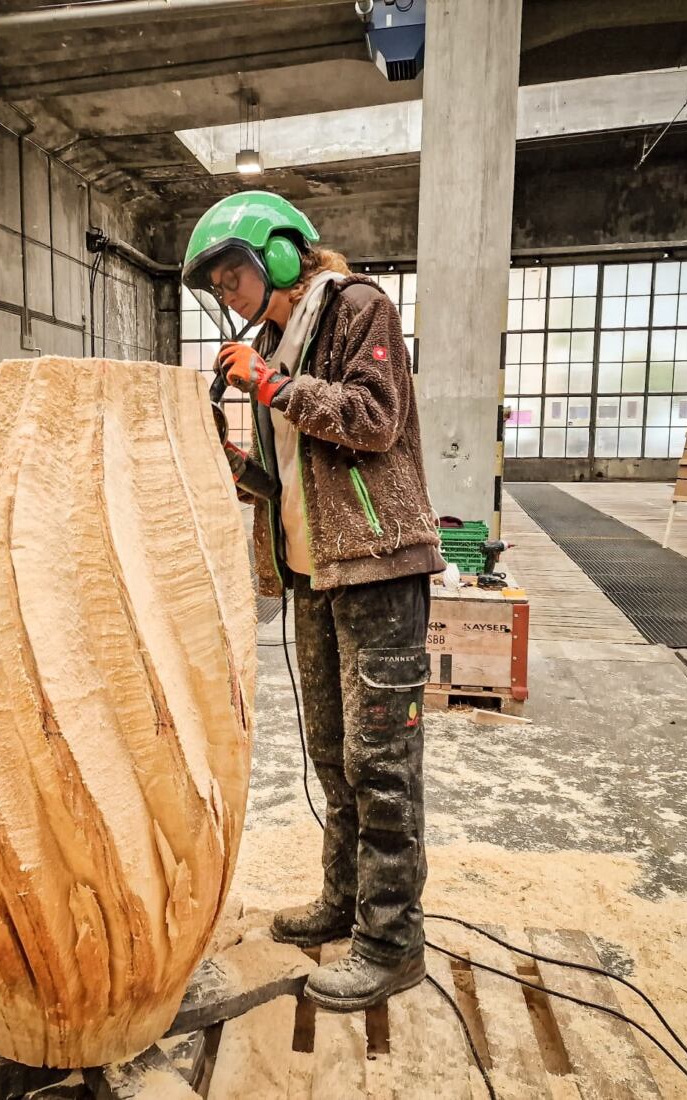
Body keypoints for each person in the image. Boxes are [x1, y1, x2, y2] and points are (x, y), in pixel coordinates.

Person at [182, 191, 445, 1011]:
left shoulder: (358, 309)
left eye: (235, 277)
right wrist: (237, 464)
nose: (229, 296)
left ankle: (392, 942)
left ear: (283, 258)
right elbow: (296, 475)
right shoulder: (274, 343)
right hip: (315, 573)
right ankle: (345, 901)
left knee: (381, 763)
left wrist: (272, 385)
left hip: (377, 566)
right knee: (333, 753)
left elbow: (371, 420)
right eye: (219, 286)